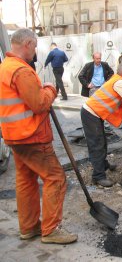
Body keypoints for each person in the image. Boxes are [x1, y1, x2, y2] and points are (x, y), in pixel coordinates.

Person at [0, 29, 77, 244]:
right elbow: (39, 103)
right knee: (55, 177)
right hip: (32, 135)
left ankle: (29, 228)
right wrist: (51, 89)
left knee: (26, 180)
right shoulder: (21, 71)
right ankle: (51, 230)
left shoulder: (5, 67)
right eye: (34, 46)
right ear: (27, 43)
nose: (35, 51)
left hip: (16, 136)